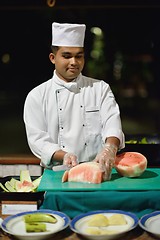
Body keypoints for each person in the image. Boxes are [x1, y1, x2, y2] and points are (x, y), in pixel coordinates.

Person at [23, 22, 125, 180]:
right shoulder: (37, 96)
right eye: (66, 56)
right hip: (57, 175)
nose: (74, 62)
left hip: (99, 173)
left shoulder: (100, 88)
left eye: (79, 56)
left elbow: (112, 122)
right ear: (52, 58)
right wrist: (63, 155)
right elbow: (37, 140)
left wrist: (110, 147)